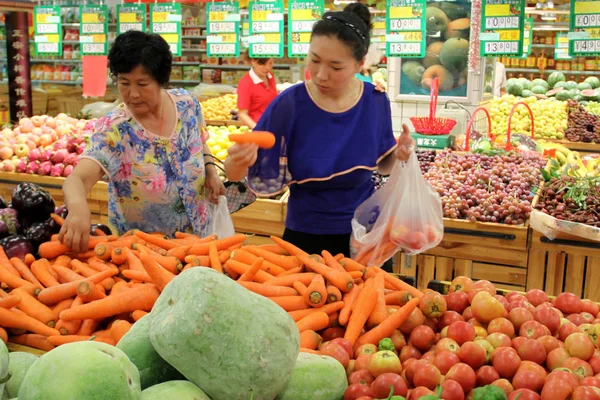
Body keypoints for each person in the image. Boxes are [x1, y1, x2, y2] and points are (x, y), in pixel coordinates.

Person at [225, 3, 415, 259]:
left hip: (365, 234)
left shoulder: (375, 101)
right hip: (306, 235)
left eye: (336, 67)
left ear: (360, 64)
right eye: (314, 60)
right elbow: (234, 173)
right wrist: (238, 160)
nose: (321, 75)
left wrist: (400, 155)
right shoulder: (289, 104)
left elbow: (384, 164)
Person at [59, 31, 225, 253]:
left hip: (201, 240)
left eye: (142, 83)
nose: (133, 94)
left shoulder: (187, 105)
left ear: (161, 80)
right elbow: (76, 179)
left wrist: (211, 171)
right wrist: (78, 208)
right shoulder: (115, 129)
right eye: (124, 83)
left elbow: (200, 141)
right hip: (144, 254)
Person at [236, 52, 278, 129]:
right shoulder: (246, 83)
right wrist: (257, 128)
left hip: (271, 128)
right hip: (256, 132)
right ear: (254, 62)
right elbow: (242, 114)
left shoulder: (270, 76)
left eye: (270, 63)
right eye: (263, 64)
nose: (268, 68)